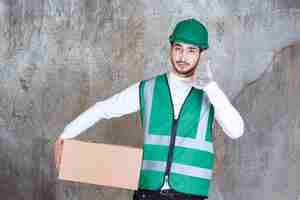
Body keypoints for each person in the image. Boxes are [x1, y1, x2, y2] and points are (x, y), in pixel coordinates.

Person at [54, 18, 244, 200]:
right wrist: (65, 135)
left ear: (201, 54)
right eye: (178, 48)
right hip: (148, 193)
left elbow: (236, 131)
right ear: (171, 48)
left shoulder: (211, 95)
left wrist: (211, 87)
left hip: (190, 194)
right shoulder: (148, 89)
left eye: (191, 51)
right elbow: (102, 109)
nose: (183, 57)